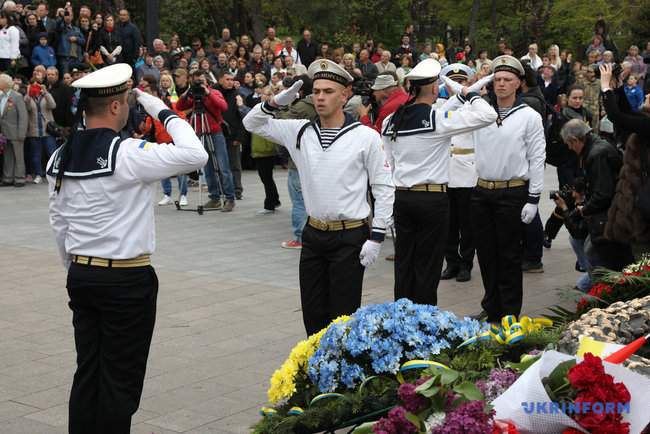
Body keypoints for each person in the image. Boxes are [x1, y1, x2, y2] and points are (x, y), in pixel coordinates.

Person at [46, 63, 208, 434]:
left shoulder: (61, 156)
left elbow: (59, 223)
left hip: (83, 275)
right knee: (120, 382)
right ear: (118, 106)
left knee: (88, 372)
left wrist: (75, 268)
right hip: (126, 278)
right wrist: (160, 107)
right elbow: (196, 154)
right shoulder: (129, 152)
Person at [243, 59, 394, 336]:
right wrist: (274, 102)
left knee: (343, 317)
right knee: (313, 313)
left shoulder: (365, 137)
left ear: (345, 94)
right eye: (317, 91)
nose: (321, 97)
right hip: (314, 234)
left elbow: (384, 186)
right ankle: (316, 373)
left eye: (328, 91)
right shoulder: (300, 130)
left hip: (349, 236)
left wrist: (377, 235)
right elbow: (251, 122)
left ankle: (342, 375)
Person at [382, 60, 496, 305]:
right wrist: (468, 94)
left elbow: (388, 162)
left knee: (404, 263)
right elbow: (489, 115)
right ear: (435, 89)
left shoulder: (391, 120)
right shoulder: (437, 118)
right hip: (431, 199)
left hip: (402, 197)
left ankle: (401, 316)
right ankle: (424, 320)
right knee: (428, 264)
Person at [469, 56, 546, 322]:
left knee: (509, 255)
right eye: (497, 79)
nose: (501, 84)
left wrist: (533, 198)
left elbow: (537, 158)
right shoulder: (482, 112)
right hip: (481, 191)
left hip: (512, 192)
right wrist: (474, 88)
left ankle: (510, 311)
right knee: (486, 254)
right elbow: (458, 104)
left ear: (518, 84)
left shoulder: (529, 116)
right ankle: (491, 306)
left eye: (507, 80)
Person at [559, 119, 633, 272]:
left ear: (575, 140)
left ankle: (596, 288)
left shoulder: (596, 154)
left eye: (569, 144)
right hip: (611, 211)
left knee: (594, 254)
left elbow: (602, 193)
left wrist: (582, 209)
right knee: (588, 248)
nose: (570, 148)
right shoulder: (595, 148)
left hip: (610, 215)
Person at [439, 64, 488, 283]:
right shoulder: (440, 106)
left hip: (468, 168)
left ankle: (466, 263)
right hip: (445, 170)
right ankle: (451, 262)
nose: (458, 87)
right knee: (448, 223)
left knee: (467, 223)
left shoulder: (476, 106)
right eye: (454, 84)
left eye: (463, 83)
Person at [177, 70, 236, 211]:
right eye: (196, 81)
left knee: (223, 167)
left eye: (201, 80)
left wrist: (207, 92)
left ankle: (230, 198)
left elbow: (223, 106)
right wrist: (188, 91)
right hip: (199, 132)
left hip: (215, 133)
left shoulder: (213, 92)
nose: (199, 83)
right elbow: (179, 106)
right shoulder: (193, 95)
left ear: (207, 81)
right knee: (207, 167)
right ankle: (214, 197)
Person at [24, 78, 56, 184]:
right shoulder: (28, 97)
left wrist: (46, 92)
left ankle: (53, 173)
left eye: (37, 85)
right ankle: (38, 174)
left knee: (51, 153)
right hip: (34, 131)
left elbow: (53, 105)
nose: (35, 87)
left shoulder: (45, 95)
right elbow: (26, 108)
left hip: (47, 130)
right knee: (36, 155)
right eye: (33, 85)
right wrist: (28, 94)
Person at [0, 73, 27, 186]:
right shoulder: (1, 97)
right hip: (4, 132)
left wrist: (22, 133)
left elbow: (23, 116)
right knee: (8, 155)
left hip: (16, 132)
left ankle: (19, 178)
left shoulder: (17, 97)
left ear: (5, 83)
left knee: (18, 156)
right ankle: (8, 177)